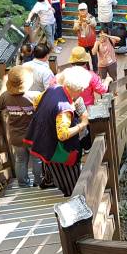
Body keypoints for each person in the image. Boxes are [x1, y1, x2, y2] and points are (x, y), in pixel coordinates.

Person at [23, 66, 91, 196]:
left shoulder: (53, 89)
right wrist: (82, 125)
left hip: (42, 136)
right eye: (82, 89)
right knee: (69, 174)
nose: (82, 91)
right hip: (55, 146)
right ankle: (72, 196)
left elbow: (37, 102)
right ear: (77, 88)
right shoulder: (64, 107)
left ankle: (48, 181)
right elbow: (63, 134)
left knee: (48, 162)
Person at [0, 66, 42, 188]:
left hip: (16, 136)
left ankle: (23, 183)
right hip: (33, 135)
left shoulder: (5, 96)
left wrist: (3, 85)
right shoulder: (35, 95)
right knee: (37, 159)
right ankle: (39, 181)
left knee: (20, 160)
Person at [92, 28, 120, 92]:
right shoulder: (98, 42)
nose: (103, 36)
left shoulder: (110, 40)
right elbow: (93, 52)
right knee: (102, 80)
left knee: (114, 78)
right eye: (101, 34)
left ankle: (115, 91)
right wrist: (97, 43)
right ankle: (104, 92)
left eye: (104, 34)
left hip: (112, 63)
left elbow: (118, 39)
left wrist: (108, 36)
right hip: (102, 65)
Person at [73, 2, 98, 71]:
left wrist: (88, 22)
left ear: (87, 10)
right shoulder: (77, 19)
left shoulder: (91, 17)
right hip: (82, 43)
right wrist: (79, 24)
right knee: (84, 59)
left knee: (94, 58)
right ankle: (87, 71)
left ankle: (96, 71)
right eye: (81, 10)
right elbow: (75, 28)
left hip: (92, 42)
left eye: (84, 10)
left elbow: (94, 24)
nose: (82, 11)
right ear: (78, 11)